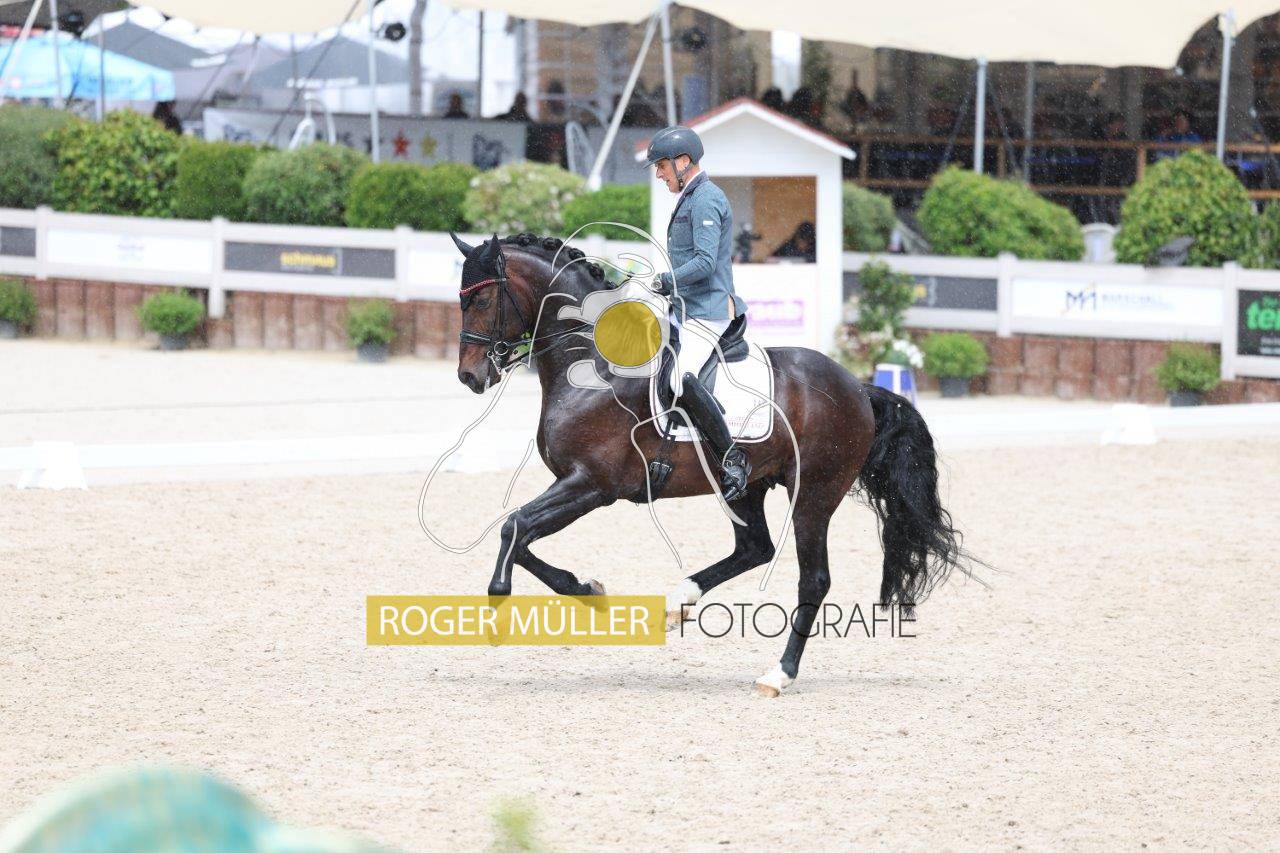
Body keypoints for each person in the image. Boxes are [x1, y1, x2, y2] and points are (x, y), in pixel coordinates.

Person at [642, 125, 751, 501]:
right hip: (686, 308)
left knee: (680, 377)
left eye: (662, 166)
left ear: (683, 161)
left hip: (709, 309)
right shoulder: (690, 197)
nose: (659, 174)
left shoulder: (706, 198)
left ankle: (732, 459)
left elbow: (705, 262)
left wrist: (667, 280)